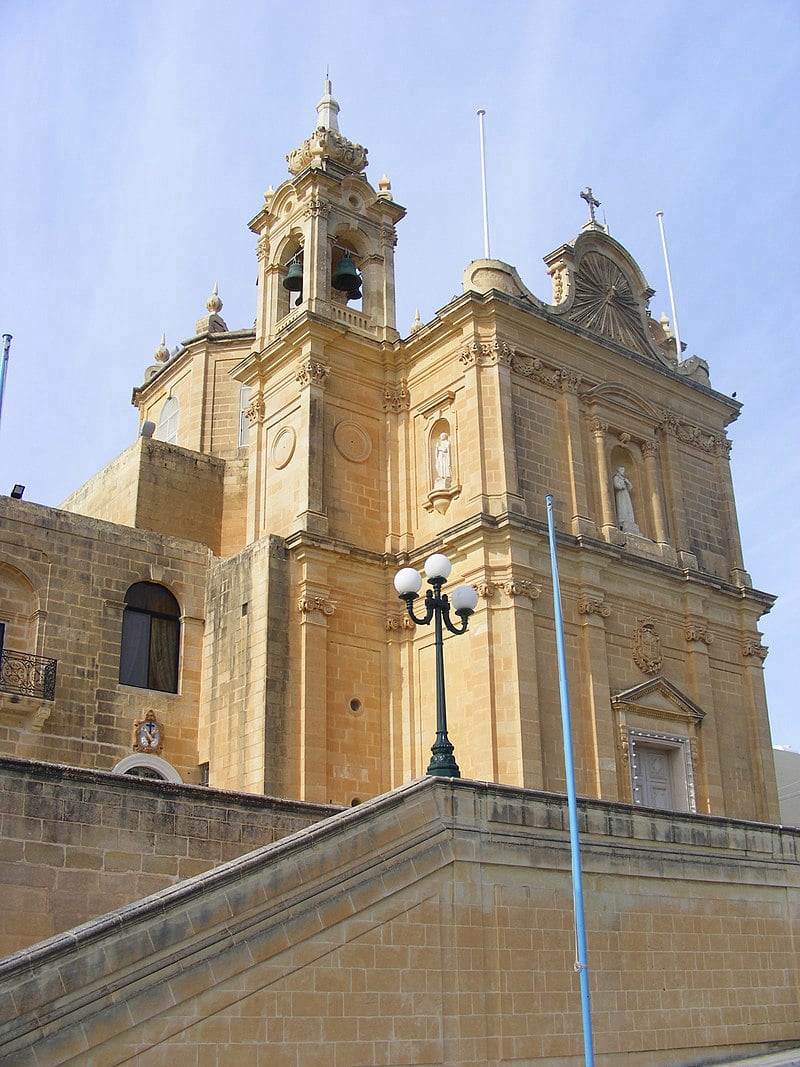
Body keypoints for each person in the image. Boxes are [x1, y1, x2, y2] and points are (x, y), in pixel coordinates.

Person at [613, 466, 637, 532]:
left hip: (625, 494)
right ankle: (622, 520)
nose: (623, 472)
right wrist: (622, 486)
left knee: (627, 507)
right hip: (620, 494)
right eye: (622, 470)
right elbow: (616, 485)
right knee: (622, 507)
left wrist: (627, 482)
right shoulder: (616, 477)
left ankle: (629, 520)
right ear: (619, 471)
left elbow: (630, 487)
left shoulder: (624, 479)